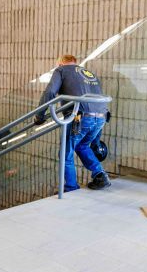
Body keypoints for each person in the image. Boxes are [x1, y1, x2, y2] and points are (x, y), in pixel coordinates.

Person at [34, 55, 111, 191]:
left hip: (79, 117)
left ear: (60, 63)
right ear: (75, 63)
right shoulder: (89, 74)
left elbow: (50, 92)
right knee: (82, 146)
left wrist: (39, 116)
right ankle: (100, 175)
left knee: (65, 153)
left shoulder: (61, 70)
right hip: (101, 117)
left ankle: (70, 187)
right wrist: (97, 141)